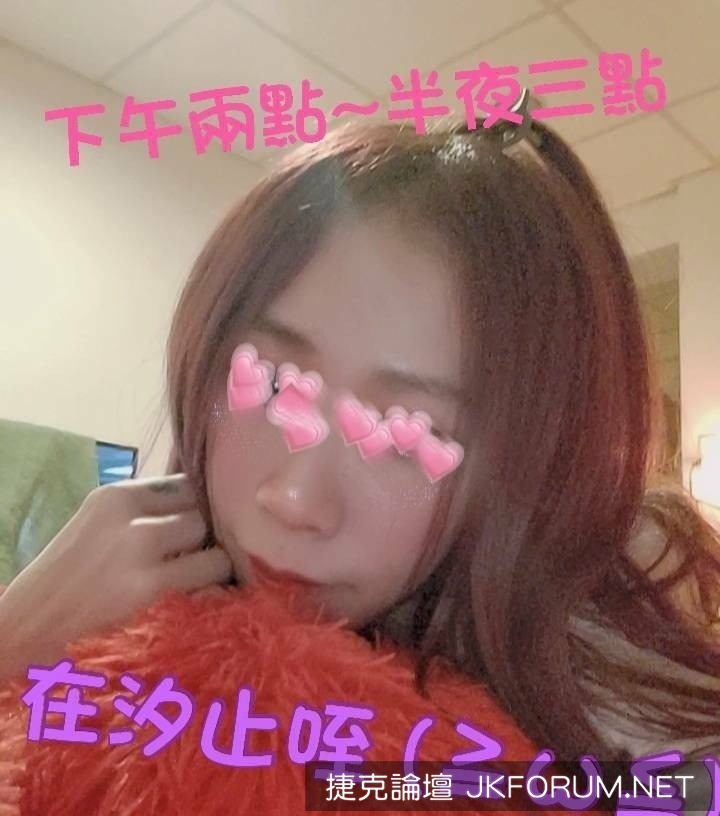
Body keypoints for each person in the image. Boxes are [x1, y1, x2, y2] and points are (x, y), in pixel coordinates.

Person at [1, 110, 718, 765]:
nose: (295, 498)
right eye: (272, 384)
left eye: (407, 435)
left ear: (525, 470)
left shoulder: (617, 710)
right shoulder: (131, 613)